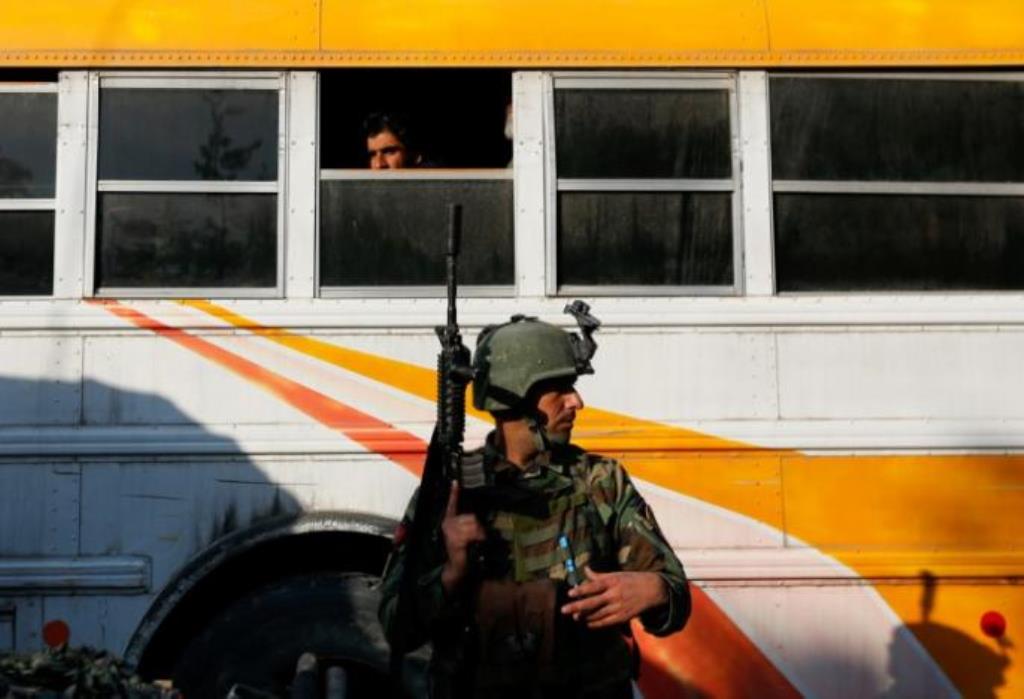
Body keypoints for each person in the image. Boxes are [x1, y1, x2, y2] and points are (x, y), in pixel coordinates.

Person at [379, 315, 690, 699]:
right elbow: (396, 628)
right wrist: (451, 573)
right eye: (559, 388)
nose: (576, 402)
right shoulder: (451, 493)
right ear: (516, 397)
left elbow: (675, 595)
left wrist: (655, 590)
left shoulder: (600, 482)